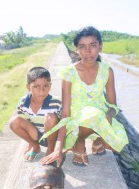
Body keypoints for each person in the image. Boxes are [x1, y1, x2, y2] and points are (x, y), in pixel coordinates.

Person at [40, 26, 128, 167]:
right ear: (77, 49)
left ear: (100, 46)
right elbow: (65, 111)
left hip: (100, 117)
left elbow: (113, 105)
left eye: (93, 45)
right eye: (82, 47)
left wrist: (109, 115)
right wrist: (59, 147)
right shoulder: (69, 73)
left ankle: (97, 138)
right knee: (93, 115)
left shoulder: (107, 71)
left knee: (111, 144)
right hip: (76, 120)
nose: (88, 52)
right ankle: (79, 140)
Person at [9, 66, 61, 161]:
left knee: (51, 117)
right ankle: (35, 146)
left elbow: (64, 125)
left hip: (54, 137)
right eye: (36, 86)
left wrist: (61, 146)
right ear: (28, 87)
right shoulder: (23, 102)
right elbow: (26, 123)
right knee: (14, 121)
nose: (41, 91)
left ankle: (50, 149)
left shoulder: (56, 102)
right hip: (37, 136)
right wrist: (31, 143)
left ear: (50, 85)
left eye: (46, 86)